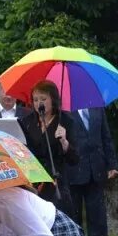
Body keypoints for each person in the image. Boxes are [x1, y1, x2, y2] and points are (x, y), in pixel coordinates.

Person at [64, 105, 118, 236]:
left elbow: (106, 137)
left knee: (98, 216)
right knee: (74, 217)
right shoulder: (64, 110)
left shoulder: (97, 108)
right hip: (73, 170)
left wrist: (112, 164)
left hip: (96, 170)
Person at [19, 81, 78, 212]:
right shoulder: (26, 122)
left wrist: (64, 142)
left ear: (53, 99)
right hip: (33, 182)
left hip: (56, 183)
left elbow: (74, 159)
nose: (39, 103)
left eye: (43, 99)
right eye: (35, 100)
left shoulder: (65, 121)